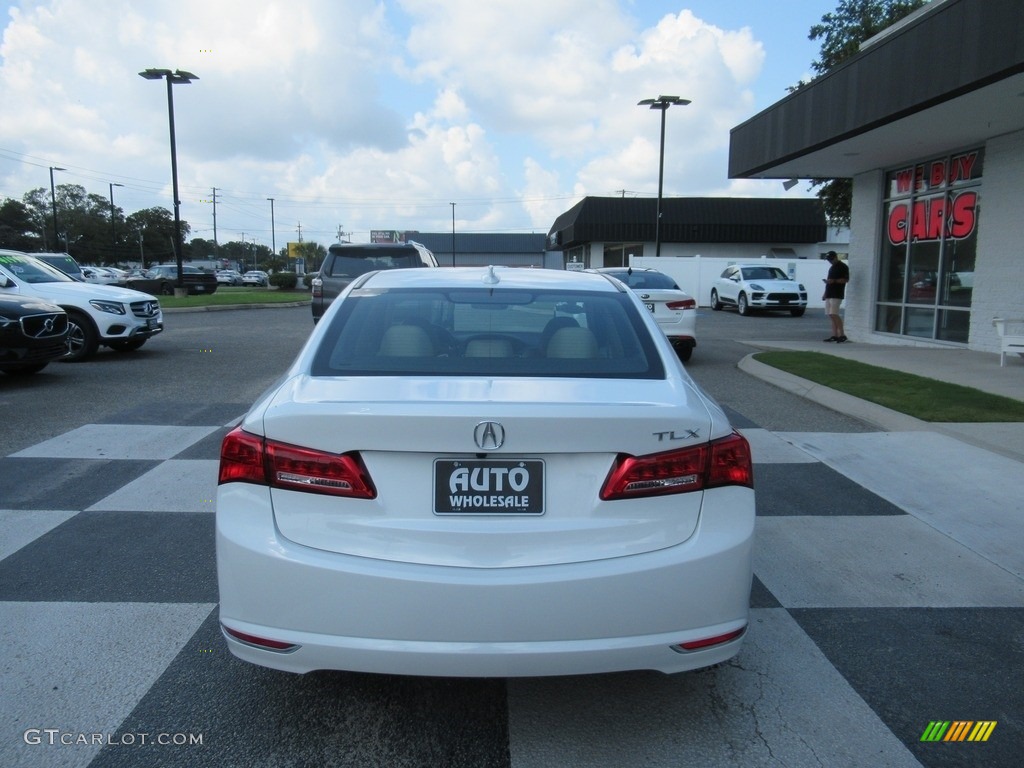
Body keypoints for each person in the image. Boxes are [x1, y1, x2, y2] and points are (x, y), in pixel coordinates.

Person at [822, 251, 849, 342]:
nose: (830, 261)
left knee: (834, 314)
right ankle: (834, 335)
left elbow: (845, 280)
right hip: (829, 292)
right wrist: (825, 293)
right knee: (830, 314)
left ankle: (842, 334)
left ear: (835, 257)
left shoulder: (843, 267)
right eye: (829, 260)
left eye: (831, 259)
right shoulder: (832, 268)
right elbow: (829, 281)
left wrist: (834, 281)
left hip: (837, 293)